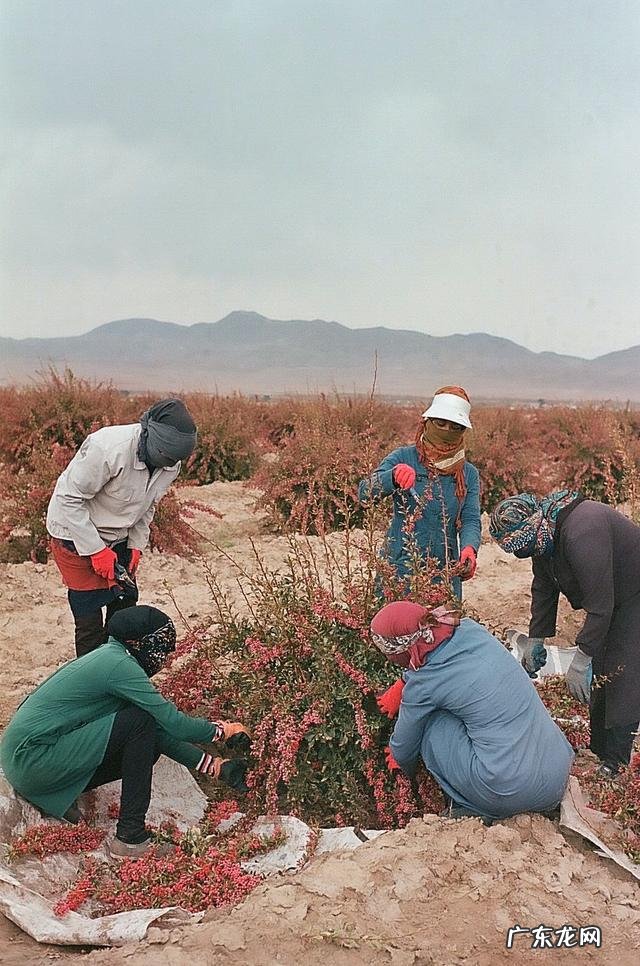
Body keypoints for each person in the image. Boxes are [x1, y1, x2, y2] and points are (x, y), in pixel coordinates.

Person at [0, 606, 250, 860]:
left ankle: (63, 791)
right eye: (159, 645)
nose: (165, 656)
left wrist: (217, 767)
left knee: (144, 731)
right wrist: (222, 731)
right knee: (139, 722)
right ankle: (130, 837)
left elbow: (158, 731)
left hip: (24, 761)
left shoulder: (112, 655)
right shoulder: (119, 666)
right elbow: (176, 725)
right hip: (31, 760)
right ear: (136, 642)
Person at [371, 600, 574, 820]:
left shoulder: (423, 684)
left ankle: (471, 804)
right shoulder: (469, 629)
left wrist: (399, 760)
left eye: (390, 655)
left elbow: (404, 744)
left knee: (431, 724)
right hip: (557, 775)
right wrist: (406, 681)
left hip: (508, 792)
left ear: (404, 650)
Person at [490, 490, 640, 777]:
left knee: (622, 671)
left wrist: (582, 656)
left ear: (533, 527)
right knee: (601, 671)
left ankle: (616, 763)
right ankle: (599, 749)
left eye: (523, 546)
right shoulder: (545, 535)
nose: (523, 554)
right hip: (612, 600)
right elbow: (544, 588)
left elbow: (601, 607)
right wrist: (536, 638)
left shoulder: (582, 533)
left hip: (633, 594)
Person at [47, 399, 198, 656]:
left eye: (174, 461)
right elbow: (68, 498)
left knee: (126, 604)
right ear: (149, 435)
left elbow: (148, 503)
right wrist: (95, 551)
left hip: (120, 535)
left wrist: (137, 545)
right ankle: (92, 681)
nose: (168, 465)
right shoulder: (107, 448)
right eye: (165, 457)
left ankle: (116, 666)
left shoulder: (171, 461)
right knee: (89, 619)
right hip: (73, 533)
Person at [358, 387, 481, 599]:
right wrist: (392, 477)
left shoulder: (467, 473)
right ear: (427, 421)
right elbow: (365, 493)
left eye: (455, 426)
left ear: (463, 430)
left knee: (443, 628)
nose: (446, 430)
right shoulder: (404, 457)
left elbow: (470, 519)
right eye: (440, 423)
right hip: (400, 565)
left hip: (444, 570)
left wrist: (470, 547)